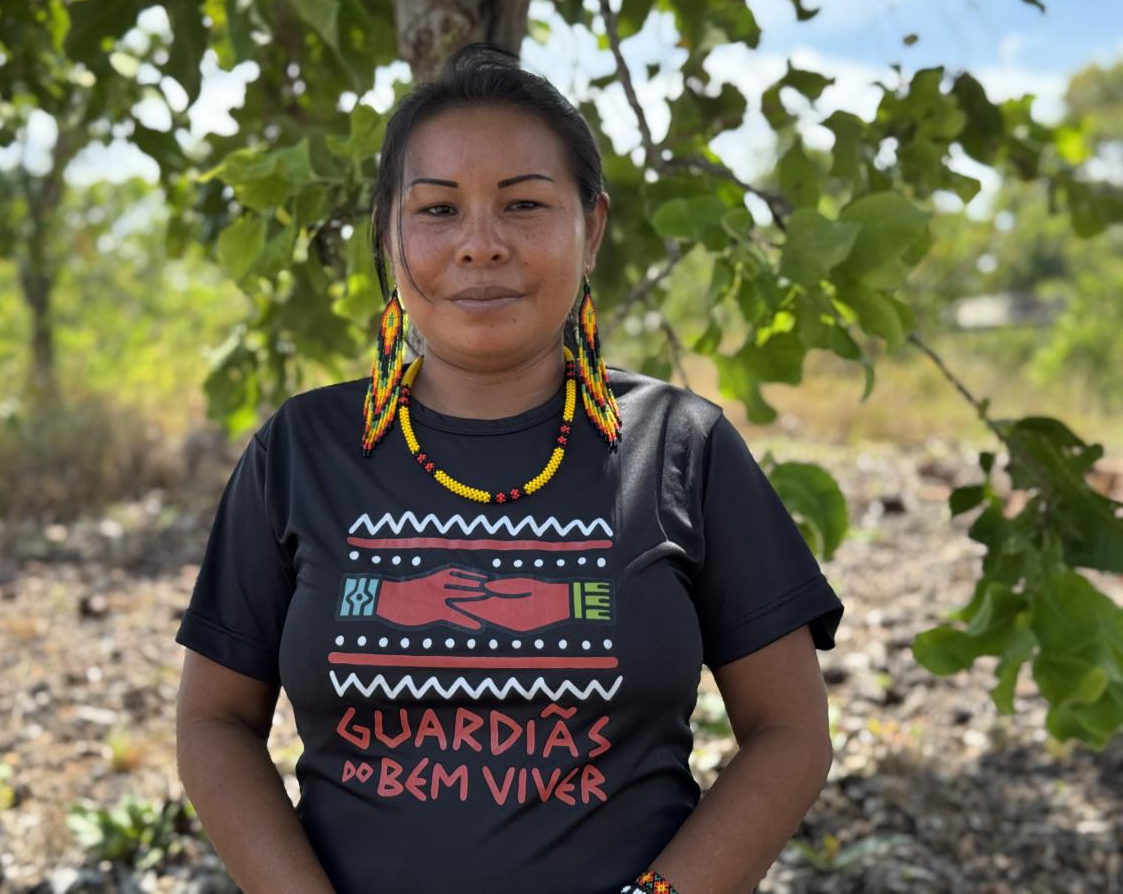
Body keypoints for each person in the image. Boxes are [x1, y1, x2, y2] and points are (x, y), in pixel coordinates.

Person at [174, 43, 844, 894]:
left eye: (524, 204)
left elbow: (790, 731)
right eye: (439, 210)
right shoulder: (301, 450)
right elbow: (213, 722)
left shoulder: (681, 446)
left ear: (590, 227)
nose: (481, 245)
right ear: (389, 233)